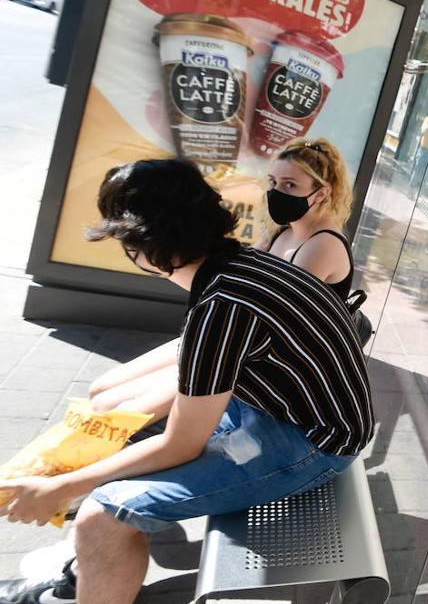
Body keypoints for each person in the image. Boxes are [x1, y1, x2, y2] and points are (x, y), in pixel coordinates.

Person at [0, 159, 373, 604]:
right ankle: (85, 573)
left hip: (311, 443)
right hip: (281, 410)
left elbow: (181, 445)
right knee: (123, 431)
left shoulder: (222, 305)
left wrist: (62, 486)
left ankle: (91, 567)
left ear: (141, 247)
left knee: (103, 515)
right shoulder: (241, 266)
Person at [85, 138, 357, 424]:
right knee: (100, 390)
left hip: (257, 357)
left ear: (321, 194)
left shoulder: (323, 245)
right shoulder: (279, 232)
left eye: (290, 185)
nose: (276, 192)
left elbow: (269, 318)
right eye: (273, 182)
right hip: (238, 337)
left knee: (112, 411)